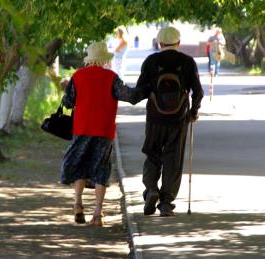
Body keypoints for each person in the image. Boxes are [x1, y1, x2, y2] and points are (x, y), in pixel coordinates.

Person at [60, 42, 141, 226]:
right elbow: (131, 96)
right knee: (101, 169)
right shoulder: (111, 77)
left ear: (89, 58)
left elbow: (68, 103)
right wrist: (145, 87)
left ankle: (78, 205)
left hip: (82, 129)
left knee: (79, 166)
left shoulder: (78, 76)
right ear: (104, 59)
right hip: (104, 130)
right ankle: (97, 213)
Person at [133, 26, 204, 217]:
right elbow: (198, 91)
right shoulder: (187, 62)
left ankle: (151, 189)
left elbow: (140, 90)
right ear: (178, 43)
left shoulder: (151, 61)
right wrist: (193, 112)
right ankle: (165, 203)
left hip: (155, 117)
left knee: (152, 153)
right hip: (178, 118)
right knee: (173, 159)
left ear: (159, 43)